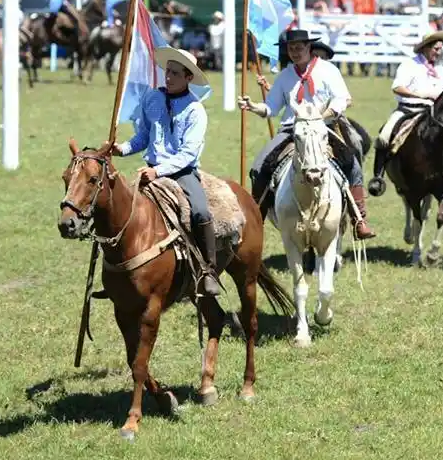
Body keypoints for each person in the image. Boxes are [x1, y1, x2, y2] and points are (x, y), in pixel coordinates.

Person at [238, 28, 376, 240]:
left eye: (299, 48)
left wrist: (321, 117)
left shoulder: (329, 70)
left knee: (352, 165)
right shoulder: (285, 76)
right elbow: (271, 108)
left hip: (324, 127)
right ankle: (257, 221)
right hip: (291, 129)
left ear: (309, 48)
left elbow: (341, 99)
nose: (295, 52)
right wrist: (252, 106)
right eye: (291, 48)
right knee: (259, 167)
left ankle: (359, 219)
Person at [111, 48, 222, 296]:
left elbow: (188, 154)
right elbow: (143, 137)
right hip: (150, 169)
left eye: (174, 73)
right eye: (167, 72)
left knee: (201, 210)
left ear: (188, 77)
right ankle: (119, 267)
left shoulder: (195, 110)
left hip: (181, 172)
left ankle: (208, 270)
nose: (168, 77)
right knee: (119, 208)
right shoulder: (152, 99)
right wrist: (122, 149)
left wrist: (159, 171)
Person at [371, 30, 443, 189]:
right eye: (436, 49)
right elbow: (397, 87)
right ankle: (378, 178)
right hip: (407, 110)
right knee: (383, 136)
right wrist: (421, 95)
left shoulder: (439, 68)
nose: (439, 52)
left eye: (440, 49)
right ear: (425, 48)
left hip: (432, 113)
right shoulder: (409, 64)